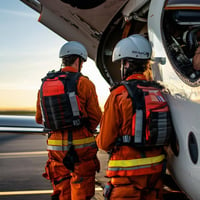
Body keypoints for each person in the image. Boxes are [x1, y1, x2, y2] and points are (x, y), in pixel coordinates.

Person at [96, 34, 166, 200]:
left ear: (126, 63)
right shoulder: (157, 92)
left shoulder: (119, 95)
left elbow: (105, 142)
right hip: (155, 176)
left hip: (128, 180)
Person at [35, 41, 102, 200]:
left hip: (55, 149)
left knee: (61, 191)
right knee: (81, 190)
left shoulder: (45, 84)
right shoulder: (84, 83)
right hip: (81, 148)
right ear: (78, 61)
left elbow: (39, 119)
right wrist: (86, 130)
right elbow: (96, 116)